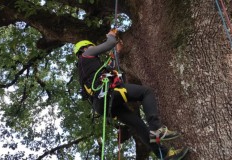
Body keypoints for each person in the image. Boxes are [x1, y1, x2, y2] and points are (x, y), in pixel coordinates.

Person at [73, 29, 189, 159]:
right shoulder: (86, 54)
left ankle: (165, 155)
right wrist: (111, 36)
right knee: (146, 92)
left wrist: (117, 51)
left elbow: (111, 67)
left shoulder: (86, 69)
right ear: (84, 48)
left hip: (102, 104)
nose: (94, 48)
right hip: (108, 92)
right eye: (91, 46)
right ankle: (156, 128)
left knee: (138, 124)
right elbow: (109, 43)